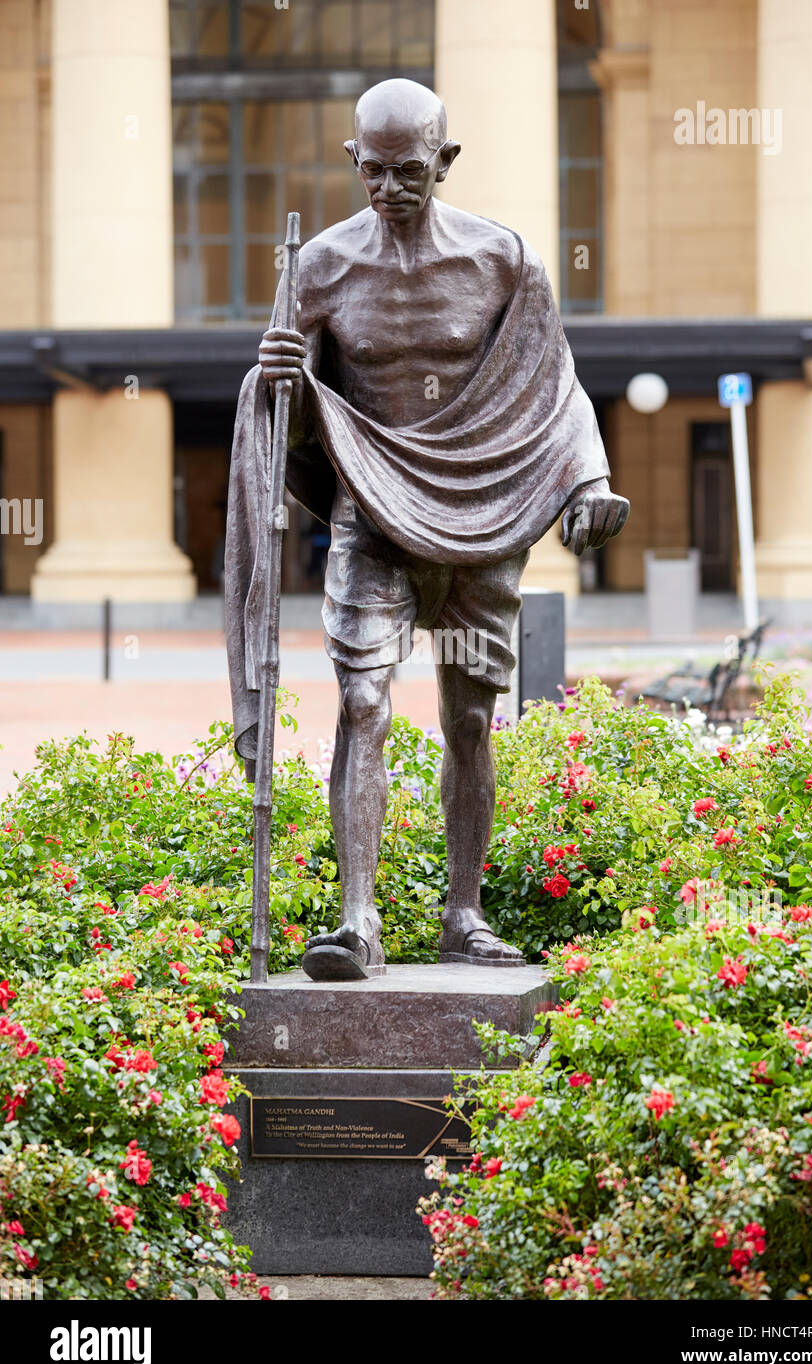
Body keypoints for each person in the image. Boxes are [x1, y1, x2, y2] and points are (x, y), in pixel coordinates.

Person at [227, 78, 628, 980]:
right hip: (370, 514)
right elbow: (294, 429)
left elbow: (551, 382)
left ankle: (464, 915)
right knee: (363, 701)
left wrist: (590, 480)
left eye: (409, 169)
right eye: (372, 170)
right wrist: (275, 384)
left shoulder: (503, 261)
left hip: (484, 516)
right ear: (352, 162)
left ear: (445, 162)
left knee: (469, 723)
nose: (389, 187)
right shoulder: (319, 267)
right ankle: (358, 921)